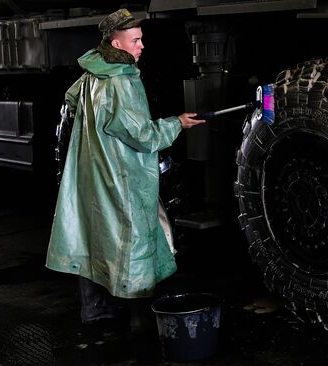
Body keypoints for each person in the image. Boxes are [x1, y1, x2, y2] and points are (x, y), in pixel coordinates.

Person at [45, 8, 205, 337]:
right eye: (135, 40)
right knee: (135, 236)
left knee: (91, 237)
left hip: (92, 171)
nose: (142, 45)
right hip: (122, 175)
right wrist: (178, 123)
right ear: (116, 43)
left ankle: (94, 311)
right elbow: (141, 135)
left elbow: (71, 99)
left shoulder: (93, 72)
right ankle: (141, 320)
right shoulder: (120, 79)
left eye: (142, 39)